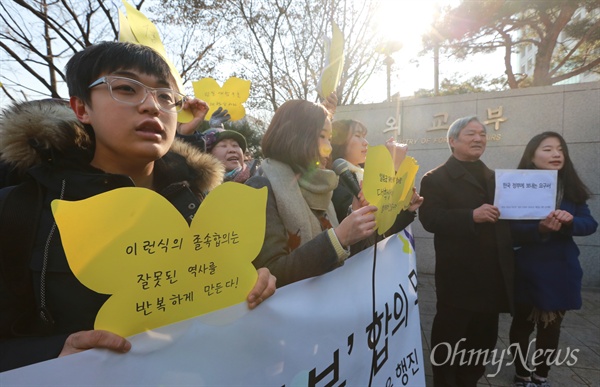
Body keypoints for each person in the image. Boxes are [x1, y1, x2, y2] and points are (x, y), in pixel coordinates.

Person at [0, 41, 276, 372]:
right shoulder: (18, 210)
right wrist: (51, 353)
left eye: (165, 96)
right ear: (81, 108)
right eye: (127, 89)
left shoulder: (198, 202)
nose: (151, 106)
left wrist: (254, 285)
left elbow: (228, 292)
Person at [418, 116, 514, 387]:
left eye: (482, 134)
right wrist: (471, 215)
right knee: (450, 338)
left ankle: (469, 381)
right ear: (452, 141)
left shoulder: (496, 179)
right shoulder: (435, 178)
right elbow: (431, 219)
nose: (478, 139)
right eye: (471, 134)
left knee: (483, 340)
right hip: (458, 276)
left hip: (492, 276)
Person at [246, 100, 378, 287]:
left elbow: (345, 259)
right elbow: (272, 272)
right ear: (295, 136)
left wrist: (355, 219)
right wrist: (338, 238)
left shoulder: (321, 187)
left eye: (330, 139)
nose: (329, 148)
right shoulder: (260, 187)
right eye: (321, 136)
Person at [508, 132, 597, 387]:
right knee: (522, 325)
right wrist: (540, 229)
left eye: (560, 149)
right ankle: (521, 373)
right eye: (547, 149)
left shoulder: (571, 189)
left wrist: (570, 223)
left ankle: (541, 376)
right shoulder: (516, 186)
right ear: (532, 156)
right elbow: (509, 229)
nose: (556, 154)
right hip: (526, 268)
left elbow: (589, 224)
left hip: (561, 270)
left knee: (551, 328)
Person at [328, 119, 423, 232]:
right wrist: (392, 165)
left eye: (364, 136)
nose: (365, 142)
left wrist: (407, 210)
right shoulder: (335, 181)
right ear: (339, 141)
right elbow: (367, 229)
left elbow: (384, 230)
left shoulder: (363, 174)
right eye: (358, 135)